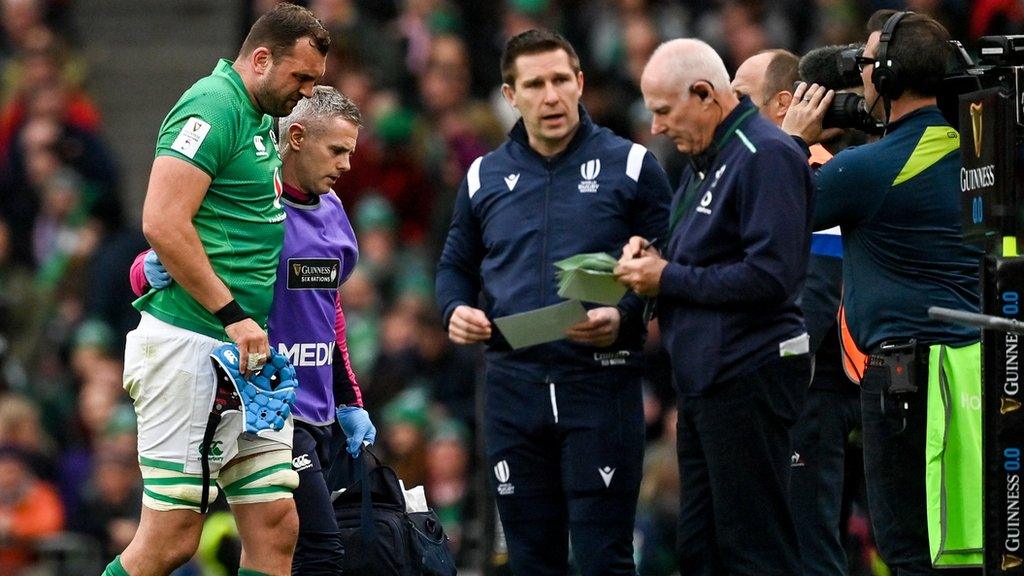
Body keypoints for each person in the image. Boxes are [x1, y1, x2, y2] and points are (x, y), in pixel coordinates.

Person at [435, 28, 671, 576]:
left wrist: (625, 315)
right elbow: (453, 267)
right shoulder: (481, 176)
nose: (552, 96)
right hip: (511, 389)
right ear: (510, 95)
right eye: (535, 84)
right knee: (528, 561)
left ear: (581, 82)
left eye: (562, 80)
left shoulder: (633, 165)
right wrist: (454, 311)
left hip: (601, 384)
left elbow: (669, 268)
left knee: (603, 560)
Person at [105, 5, 329, 576]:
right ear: (261, 59)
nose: (305, 93)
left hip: (245, 355)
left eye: (314, 83)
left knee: (277, 524)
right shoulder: (212, 105)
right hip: (192, 343)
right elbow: (161, 220)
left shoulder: (256, 116)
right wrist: (232, 314)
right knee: (171, 540)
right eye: (299, 78)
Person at [130, 86, 375, 575]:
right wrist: (143, 270)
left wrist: (351, 401)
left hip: (316, 407)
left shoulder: (335, 214)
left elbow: (332, 313)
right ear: (298, 137)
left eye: (350, 151)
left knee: (282, 537)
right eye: (337, 151)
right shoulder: (249, 201)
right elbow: (173, 241)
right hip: (259, 392)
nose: (347, 165)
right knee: (316, 549)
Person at [785, 10, 984, 575]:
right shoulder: (974, 150)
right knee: (963, 541)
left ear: (890, 76)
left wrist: (791, 142)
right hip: (971, 368)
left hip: (904, 378)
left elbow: (776, 207)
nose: (861, 75)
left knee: (905, 545)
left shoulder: (867, 168)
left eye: (868, 63)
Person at [614, 38, 814, 575]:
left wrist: (668, 276)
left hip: (749, 373)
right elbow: (701, 258)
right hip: (706, 382)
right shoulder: (706, 160)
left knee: (755, 551)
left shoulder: (765, 154)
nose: (655, 127)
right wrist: (654, 260)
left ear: (703, 94)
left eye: (662, 110)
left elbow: (773, 276)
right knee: (700, 552)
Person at [733, 48, 861, 576]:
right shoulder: (760, 174)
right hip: (778, 390)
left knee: (809, 545)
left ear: (784, 103)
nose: (727, 107)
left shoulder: (816, 173)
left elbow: (815, 297)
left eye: (740, 96)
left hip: (803, 396)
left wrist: (774, 390)